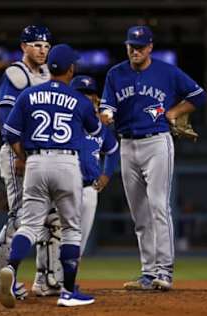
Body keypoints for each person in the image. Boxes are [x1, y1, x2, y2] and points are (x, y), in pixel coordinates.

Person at [99, 25, 206, 291]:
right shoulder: (115, 74)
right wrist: (106, 116)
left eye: (140, 46)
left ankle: (165, 271)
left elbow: (198, 95)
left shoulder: (167, 72)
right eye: (131, 46)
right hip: (126, 144)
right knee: (139, 213)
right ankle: (148, 272)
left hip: (157, 143)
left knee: (159, 206)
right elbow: (107, 106)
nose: (135, 50)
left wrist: (174, 112)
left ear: (150, 47)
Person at [0, 44, 101, 308]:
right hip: (66, 162)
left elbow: (10, 132)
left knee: (29, 225)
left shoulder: (29, 94)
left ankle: (10, 267)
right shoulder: (78, 99)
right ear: (71, 69)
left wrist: (22, 157)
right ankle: (67, 292)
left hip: (35, 162)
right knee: (71, 230)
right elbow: (95, 128)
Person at [0, 25, 63, 299]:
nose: (42, 49)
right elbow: (5, 122)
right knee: (20, 217)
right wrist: (21, 156)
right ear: (23, 47)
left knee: (53, 218)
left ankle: (46, 280)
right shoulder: (16, 74)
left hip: (42, 154)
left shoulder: (46, 74)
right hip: (17, 152)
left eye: (46, 45)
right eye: (36, 44)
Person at [69, 75, 120, 256]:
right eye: (81, 93)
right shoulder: (65, 119)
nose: (86, 97)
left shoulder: (101, 127)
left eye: (89, 93)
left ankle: (68, 279)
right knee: (57, 235)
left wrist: (106, 174)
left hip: (90, 188)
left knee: (81, 239)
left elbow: (113, 149)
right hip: (64, 186)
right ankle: (45, 277)